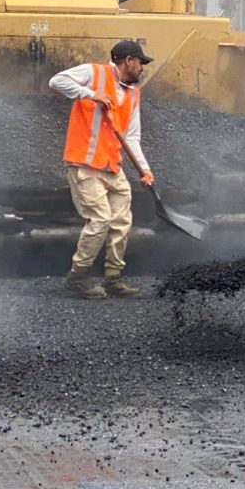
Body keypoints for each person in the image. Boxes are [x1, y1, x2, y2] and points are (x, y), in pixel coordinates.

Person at [49, 39, 156, 300]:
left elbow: (132, 137)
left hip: (112, 166)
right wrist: (90, 94)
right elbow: (56, 81)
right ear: (128, 60)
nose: (142, 69)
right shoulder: (94, 74)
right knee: (100, 220)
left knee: (121, 222)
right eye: (140, 63)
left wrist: (145, 169)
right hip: (84, 164)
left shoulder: (133, 95)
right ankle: (78, 276)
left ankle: (113, 278)